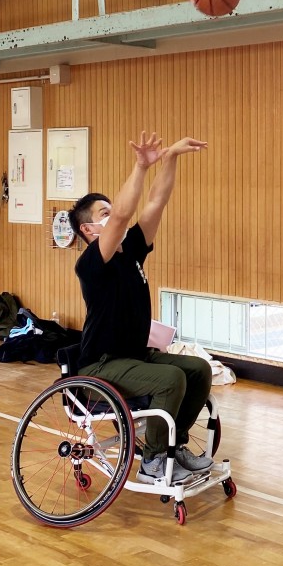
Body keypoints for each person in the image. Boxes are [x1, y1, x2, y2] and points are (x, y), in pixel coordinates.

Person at [68, 130, 213, 484]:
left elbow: (155, 203)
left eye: (109, 209)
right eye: (103, 213)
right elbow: (121, 215)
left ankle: (172, 446)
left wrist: (171, 158)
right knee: (171, 378)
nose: (113, 215)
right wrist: (140, 166)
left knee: (198, 370)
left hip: (135, 356)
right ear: (89, 229)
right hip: (102, 365)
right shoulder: (91, 262)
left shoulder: (131, 249)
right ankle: (152, 462)